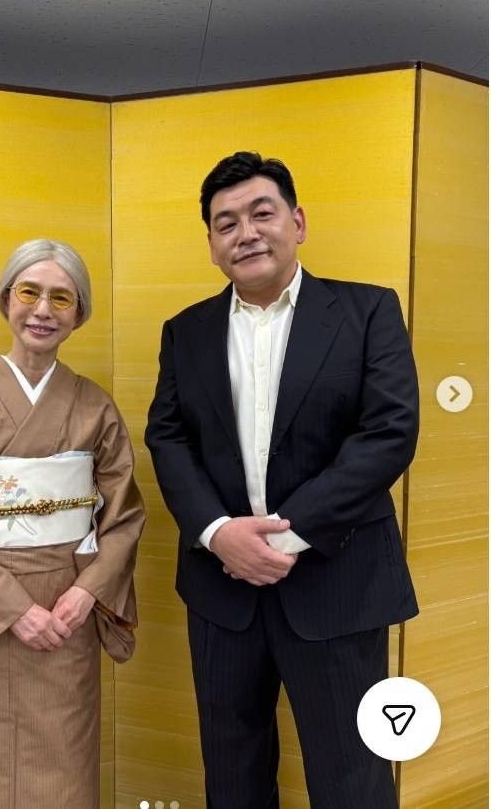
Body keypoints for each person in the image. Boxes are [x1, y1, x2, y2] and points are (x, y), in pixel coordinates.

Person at [145, 152, 419, 808]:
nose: (245, 233)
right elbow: (167, 437)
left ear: (296, 222)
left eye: (261, 213)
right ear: (212, 244)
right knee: (232, 774)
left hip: (338, 580)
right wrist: (217, 533)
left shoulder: (367, 311)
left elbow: (389, 431)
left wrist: (283, 537)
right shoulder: (185, 332)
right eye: (225, 223)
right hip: (222, 588)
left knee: (352, 775)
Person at [0, 239, 145, 809]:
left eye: (61, 298)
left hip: (66, 611)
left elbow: (122, 515)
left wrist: (86, 594)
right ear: (6, 300)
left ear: (79, 313)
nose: (42, 310)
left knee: (65, 765)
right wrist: (13, 609)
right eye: (29, 292)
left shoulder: (94, 407)